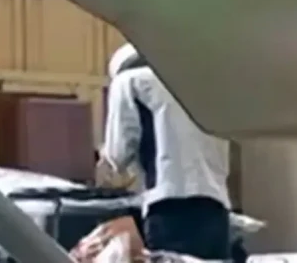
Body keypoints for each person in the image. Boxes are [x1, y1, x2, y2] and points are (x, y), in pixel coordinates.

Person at [99, 43, 232, 259]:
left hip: (168, 206)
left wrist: (106, 159)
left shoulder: (128, 81)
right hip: (215, 206)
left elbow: (118, 152)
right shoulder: (209, 85)